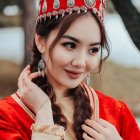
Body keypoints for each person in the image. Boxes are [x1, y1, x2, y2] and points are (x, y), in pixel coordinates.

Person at [0, 0, 140, 139]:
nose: (80, 62)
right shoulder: (6, 117)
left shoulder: (117, 113)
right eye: (70, 45)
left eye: (93, 49)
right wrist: (44, 113)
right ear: (41, 41)